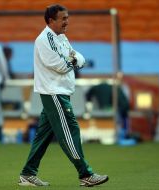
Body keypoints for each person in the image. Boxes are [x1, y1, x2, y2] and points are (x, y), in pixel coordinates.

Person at [18, 4, 108, 187]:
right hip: (54, 93)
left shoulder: (62, 38)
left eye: (67, 18)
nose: (67, 22)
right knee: (70, 132)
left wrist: (73, 60)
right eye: (63, 18)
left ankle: (28, 173)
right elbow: (61, 66)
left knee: (42, 136)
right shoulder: (44, 40)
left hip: (60, 92)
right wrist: (73, 60)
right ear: (51, 21)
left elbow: (78, 59)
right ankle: (85, 174)